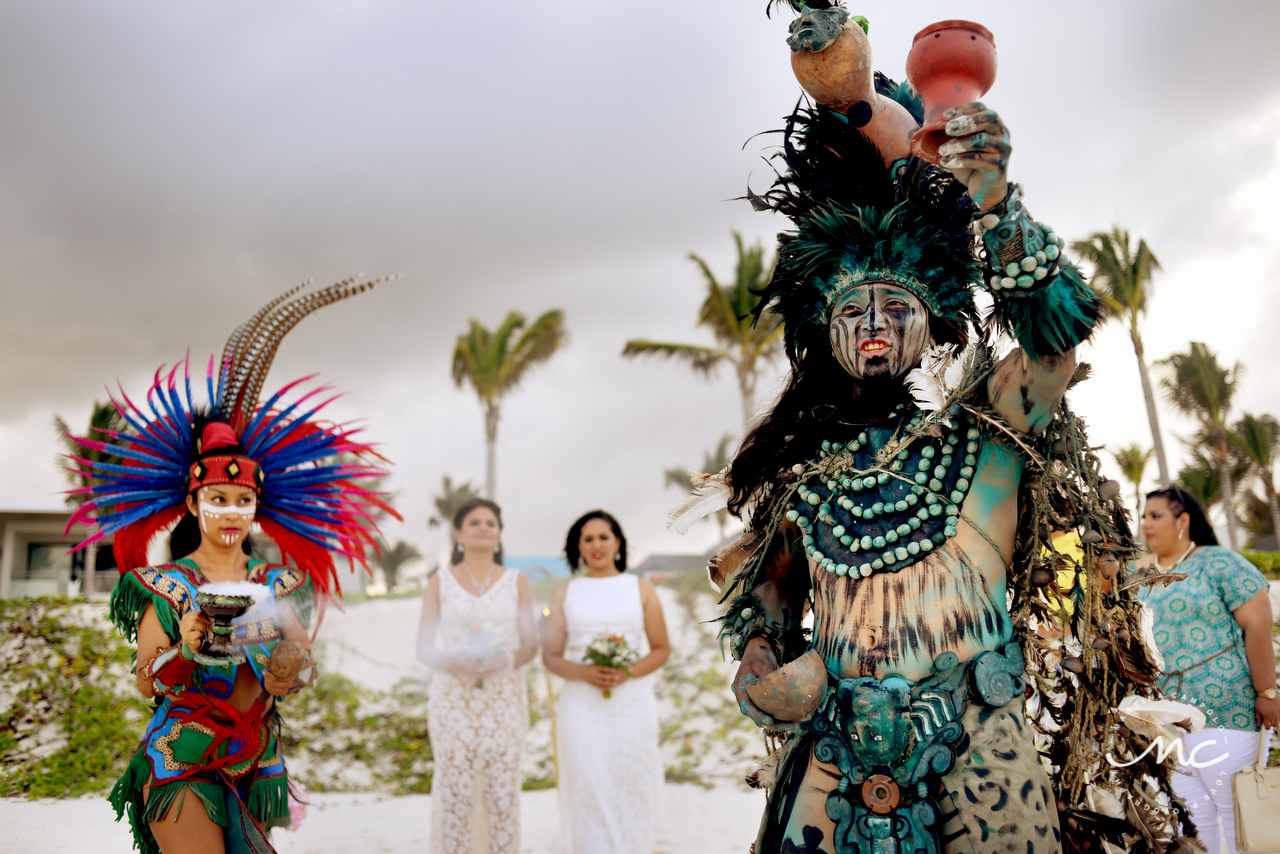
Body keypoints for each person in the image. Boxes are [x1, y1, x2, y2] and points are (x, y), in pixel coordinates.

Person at [691, 11, 1188, 854]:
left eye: (896, 308)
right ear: (825, 331)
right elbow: (768, 592)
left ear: (934, 324)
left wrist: (994, 204)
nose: (876, 327)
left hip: (980, 752)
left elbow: (1055, 343)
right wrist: (761, 661)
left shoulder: (986, 433)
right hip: (837, 755)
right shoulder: (810, 480)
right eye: (853, 311)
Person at [66, 277, 395, 854]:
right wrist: (186, 645)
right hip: (182, 756)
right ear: (193, 503)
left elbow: (300, 659)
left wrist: (288, 667)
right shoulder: (164, 586)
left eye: (243, 502)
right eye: (218, 499)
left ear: (257, 509)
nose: (231, 512)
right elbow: (145, 679)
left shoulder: (277, 582)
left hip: (257, 757)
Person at [1137, 485, 1278, 854]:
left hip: (1225, 709)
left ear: (1182, 521)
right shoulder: (1141, 576)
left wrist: (1268, 692)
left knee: (1237, 814)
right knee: (1191, 818)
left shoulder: (1217, 562)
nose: (1146, 524)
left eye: (1156, 516)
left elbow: (1258, 624)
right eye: (1144, 516)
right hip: (1166, 720)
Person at [542, 510, 670, 854]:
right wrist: (583, 672)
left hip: (633, 703)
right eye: (588, 539)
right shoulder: (565, 593)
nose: (596, 544)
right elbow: (551, 656)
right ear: (578, 548)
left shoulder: (640, 588)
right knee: (588, 785)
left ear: (617, 542)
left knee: (632, 783)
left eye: (603, 537)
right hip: (581, 706)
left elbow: (660, 649)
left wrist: (627, 671)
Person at [416, 498, 537, 854]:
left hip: (504, 699)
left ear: (499, 534)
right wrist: (456, 663)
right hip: (454, 702)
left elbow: (531, 644)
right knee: (456, 795)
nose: (484, 528)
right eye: (475, 523)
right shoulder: (440, 582)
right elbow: (423, 648)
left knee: (502, 793)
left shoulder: (517, 581)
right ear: (458, 534)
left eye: (491, 523)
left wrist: (505, 659)